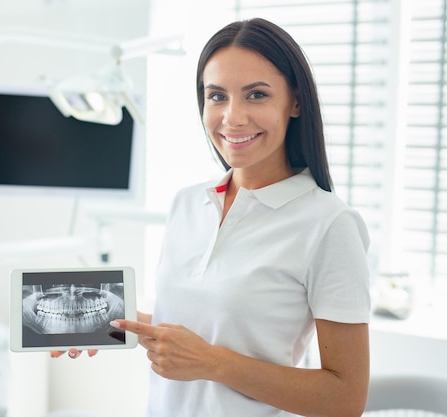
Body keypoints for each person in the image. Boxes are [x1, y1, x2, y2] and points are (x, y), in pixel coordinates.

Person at [54, 17, 371, 417]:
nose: (232, 117)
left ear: (295, 102)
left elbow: (345, 399)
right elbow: (195, 335)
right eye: (217, 96)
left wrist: (212, 363)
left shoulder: (329, 224)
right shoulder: (187, 204)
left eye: (256, 95)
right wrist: (110, 322)